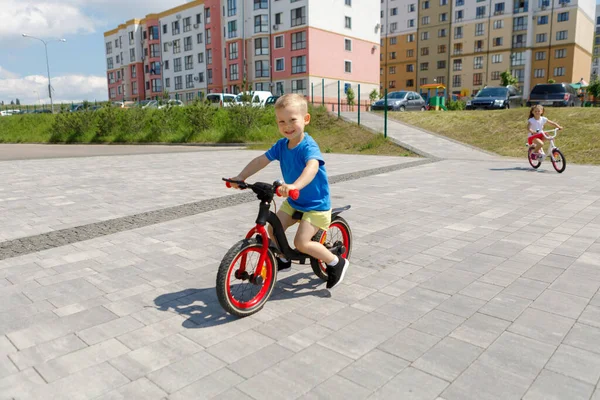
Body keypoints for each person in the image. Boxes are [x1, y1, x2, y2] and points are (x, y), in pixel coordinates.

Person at [229, 93, 349, 290]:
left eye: (292, 120)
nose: (287, 126)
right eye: (281, 121)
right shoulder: (281, 145)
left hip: (315, 205)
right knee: (272, 228)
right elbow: (261, 160)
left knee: (301, 242)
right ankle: (283, 259)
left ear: (306, 119)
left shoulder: (308, 146)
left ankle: (336, 262)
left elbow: (312, 167)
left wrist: (295, 186)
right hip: (294, 202)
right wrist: (241, 177)